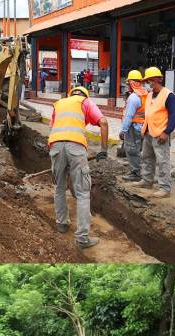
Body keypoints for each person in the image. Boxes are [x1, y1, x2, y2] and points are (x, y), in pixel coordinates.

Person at [48, 86, 109, 249]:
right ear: (84, 95)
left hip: (55, 146)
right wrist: (104, 150)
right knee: (82, 193)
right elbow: (103, 122)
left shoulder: (59, 103)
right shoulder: (85, 102)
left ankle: (62, 224)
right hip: (76, 147)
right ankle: (82, 238)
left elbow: (52, 127)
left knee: (59, 188)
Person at [131, 66, 175, 199]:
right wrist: (144, 129)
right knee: (146, 157)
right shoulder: (150, 95)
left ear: (158, 79)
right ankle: (147, 180)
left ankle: (165, 188)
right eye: (147, 81)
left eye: (150, 80)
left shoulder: (168, 95)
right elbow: (148, 114)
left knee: (162, 161)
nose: (149, 83)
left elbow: (174, 115)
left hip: (160, 134)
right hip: (148, 133)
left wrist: (167, 132)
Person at [119, 70, 147, 183]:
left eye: (128, 84)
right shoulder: (145, 93)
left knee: (131, 149)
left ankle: (135, 173)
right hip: (142, 127)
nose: (127, 86)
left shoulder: (134, 98)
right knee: (139, 150)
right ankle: (142, 170)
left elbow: (129, 116)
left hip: (133, 127)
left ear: (131, 83)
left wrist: (123, 130)